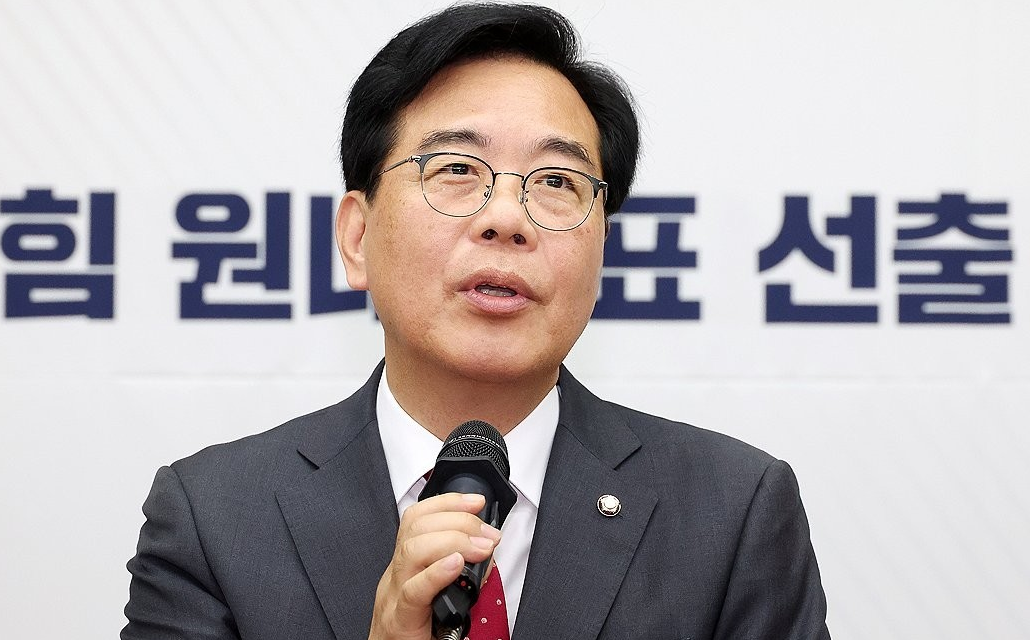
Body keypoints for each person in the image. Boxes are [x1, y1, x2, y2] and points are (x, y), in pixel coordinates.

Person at [122, 3, 830, 639]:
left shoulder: (731, 512)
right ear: (357, 238)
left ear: (602, 248)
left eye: (557, 182)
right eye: (457, 169)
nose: (507, 218)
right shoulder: (216, 518)